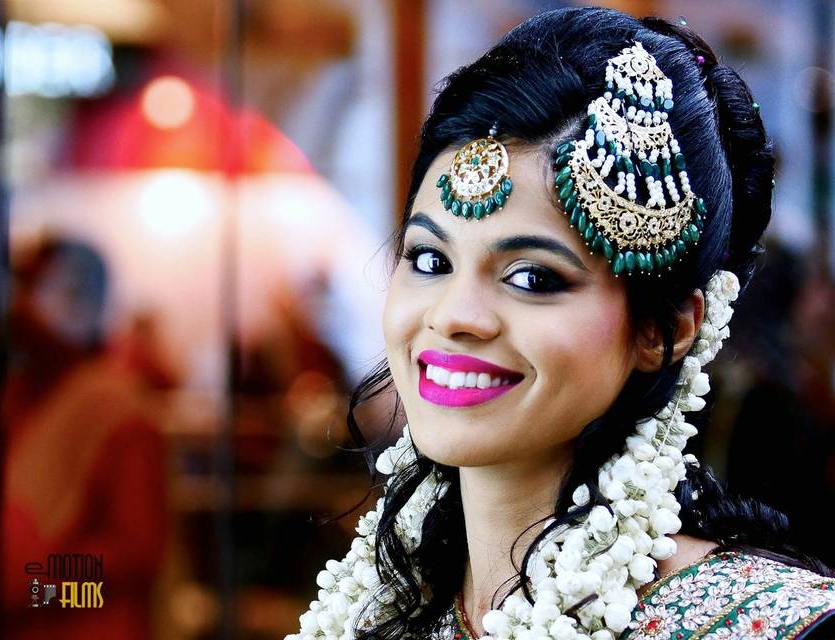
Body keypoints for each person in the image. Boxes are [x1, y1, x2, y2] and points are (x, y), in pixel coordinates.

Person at [286, 7, 835, 640]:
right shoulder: (381, 619)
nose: (455, 316)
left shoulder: (763, 627)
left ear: (667, 328)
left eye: (532, 278)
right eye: (430, 261)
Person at [0, 236, 168, 640]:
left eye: (32, 287)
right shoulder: (18, 397)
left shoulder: (118, 412)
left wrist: (40, 587)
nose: (16, 305)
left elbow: (135, 560)